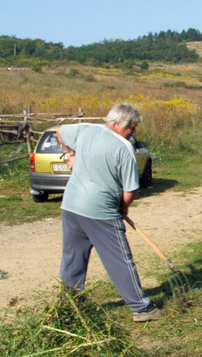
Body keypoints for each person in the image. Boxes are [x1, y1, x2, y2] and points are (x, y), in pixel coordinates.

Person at [56, 103, 162, 323]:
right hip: (100, 211)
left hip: (72, 206)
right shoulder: (124, 148)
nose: (133, 132)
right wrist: (123, 208)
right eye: (131, 127)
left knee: (72, 259)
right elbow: (131, 190)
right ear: (117, 124)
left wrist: (71, 155)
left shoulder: (86, 130)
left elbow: (60, 131)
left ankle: (68, 307)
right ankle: (141, 308)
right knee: (120, 260)